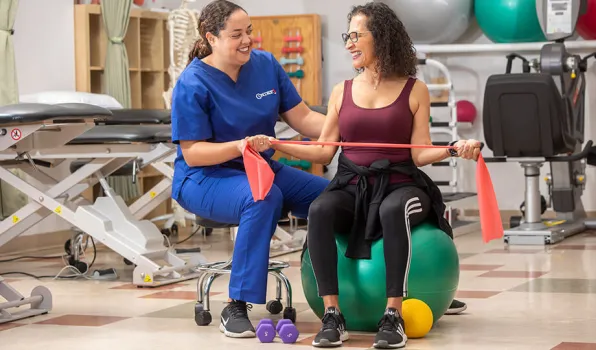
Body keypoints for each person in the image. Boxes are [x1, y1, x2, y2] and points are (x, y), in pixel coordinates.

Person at [262, 3, 479, 349]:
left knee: (393, 210)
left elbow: (419, 153)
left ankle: (393, 316)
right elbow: (323, 151)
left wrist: (454, 148)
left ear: (381, 38)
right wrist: (275, 144)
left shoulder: (414, 89)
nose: (348, 43)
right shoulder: (341, 91)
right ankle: (333, 315)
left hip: (402, 183)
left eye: (355, 36)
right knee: (319, 210)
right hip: (352, 183)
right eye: (346, 36)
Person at [169, 0, 329, 339]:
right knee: (263, 197)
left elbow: (303, 118)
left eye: (249, 32)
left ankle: (351, 287)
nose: (247, 41)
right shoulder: (193, 82)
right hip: (203, 178)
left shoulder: (266, 65)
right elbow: (194, 153)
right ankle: (236, 304)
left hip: (257, 166)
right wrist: (239, 146)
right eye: (236, 35)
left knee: (335, 196)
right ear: (211, 38)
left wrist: (348, 124)